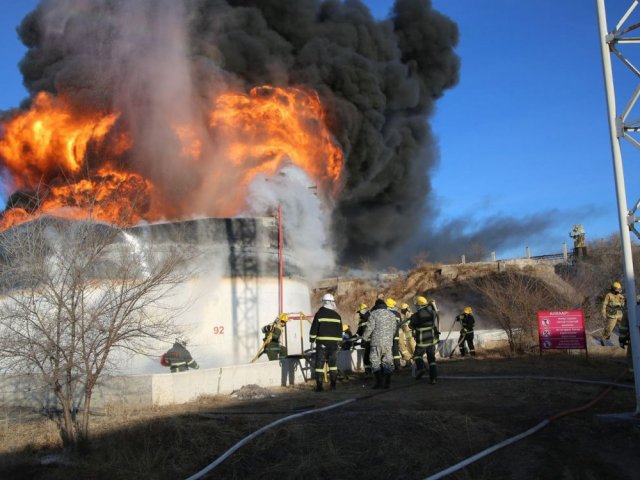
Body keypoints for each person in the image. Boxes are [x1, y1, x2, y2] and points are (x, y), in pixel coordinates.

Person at [362, 298, 399, 389]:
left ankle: (379, 382)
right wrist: (389, 338)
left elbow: (369, 328)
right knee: (387, 362)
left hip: (376, 343)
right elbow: (394, 329)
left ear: (376, 306)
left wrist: (364, 338)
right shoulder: (391, 315)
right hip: (388, 343)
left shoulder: (373, 314)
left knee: (375, 362)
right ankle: (387, 382)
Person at [309, 293, 343, 392]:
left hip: (322, 344)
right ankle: (333, 386)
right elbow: (340, 331)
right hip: (334, 345)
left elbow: (314, 328)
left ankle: (319, 387)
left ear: (324, 302)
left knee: (319, 365)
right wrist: (339, 343)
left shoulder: (319, 314)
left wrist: (312, 340)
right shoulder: (337, 316)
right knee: (333, 365)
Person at [409, 296, 440, 384]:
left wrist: (412, 320)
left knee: (417, 356)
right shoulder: (432, 313)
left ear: (419, 305)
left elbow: (411, 326)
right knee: (431, 359)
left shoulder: (415, 316)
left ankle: (421, 367)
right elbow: (435, 312)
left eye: (416, 305)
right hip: (431, 340)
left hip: (421, 341)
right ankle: (433, 378)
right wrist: (433, 305)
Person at [601, 282, 625, 346]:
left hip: (619, 315)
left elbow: (624, 305)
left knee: (624, 327)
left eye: (619, 289)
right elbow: (604, 304)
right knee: (609, 328)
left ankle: (624, 340)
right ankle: (604, 338)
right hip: (612, 315)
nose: (619, 290)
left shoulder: (621, 296)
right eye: (618, 289)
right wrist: (603, 313)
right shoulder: (609, 295)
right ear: (614, 289)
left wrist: (622, 303)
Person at [386, 298, 403, 370]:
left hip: (387, 335)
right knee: (396, 349)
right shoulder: (398, 314)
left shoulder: (385, 313)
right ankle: (397, 365)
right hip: (396, 335)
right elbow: (400, 324)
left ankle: (388, 366)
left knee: (387, 350)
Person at [355, 303, 372, 375]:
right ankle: (368, 372)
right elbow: (359, 332)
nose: (359, 314)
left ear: (363, 311)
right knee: (366, 357)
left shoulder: (371, 317)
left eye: (359, 312)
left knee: (372, 357)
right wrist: (353, 338)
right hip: (366, 342)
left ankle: (375, 372)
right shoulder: (361, 321)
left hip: (373, 341)